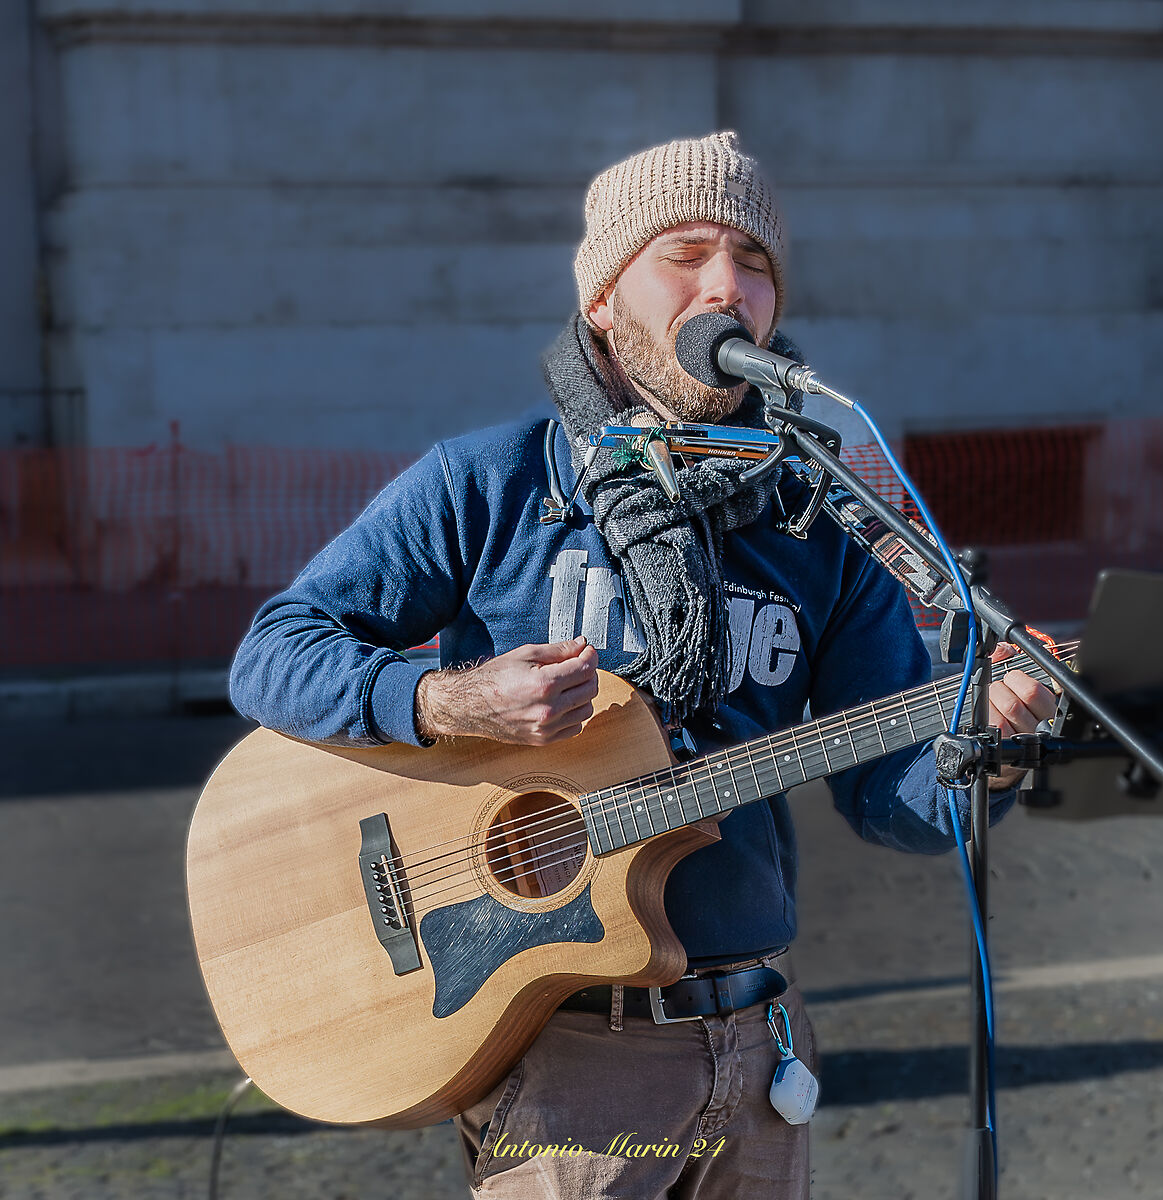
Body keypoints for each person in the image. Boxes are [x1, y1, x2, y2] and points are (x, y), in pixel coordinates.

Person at [229, 131, 1056, 1198]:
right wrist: (443, 698)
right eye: (688, 251)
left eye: (755, 263)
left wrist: (994, 741)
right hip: (570, 1060)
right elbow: (274, 652)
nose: (728, 284)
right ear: (606, 299)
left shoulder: (819, 517)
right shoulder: (490, 485)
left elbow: (890, 799)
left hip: (759, 1045)